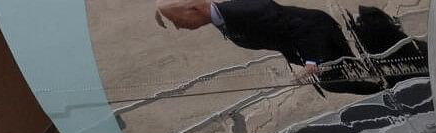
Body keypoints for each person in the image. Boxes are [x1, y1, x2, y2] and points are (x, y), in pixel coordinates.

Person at [155, 0, 382, 95]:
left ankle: (389, 88)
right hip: (305, 44)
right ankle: (386, 87)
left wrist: (312, 63)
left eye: (177, 20)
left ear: (194, 9)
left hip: (318, 33)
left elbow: (302, 28)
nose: (178, 27)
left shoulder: (240, 12)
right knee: (344, 79)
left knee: (344, 80)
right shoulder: (224, 18)